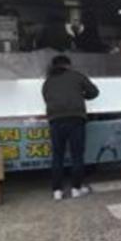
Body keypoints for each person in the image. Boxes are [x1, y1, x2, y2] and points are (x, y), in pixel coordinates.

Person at [42, 55, 99, 200]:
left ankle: (57, 191)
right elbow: (94, 92)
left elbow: (46, 99)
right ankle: (76, 189)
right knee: (77, 155)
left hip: (55, 120)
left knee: (57, 156)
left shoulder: (48, 82)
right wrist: (82, 95)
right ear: (68, 65)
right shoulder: (77, 76)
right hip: (76, 119)